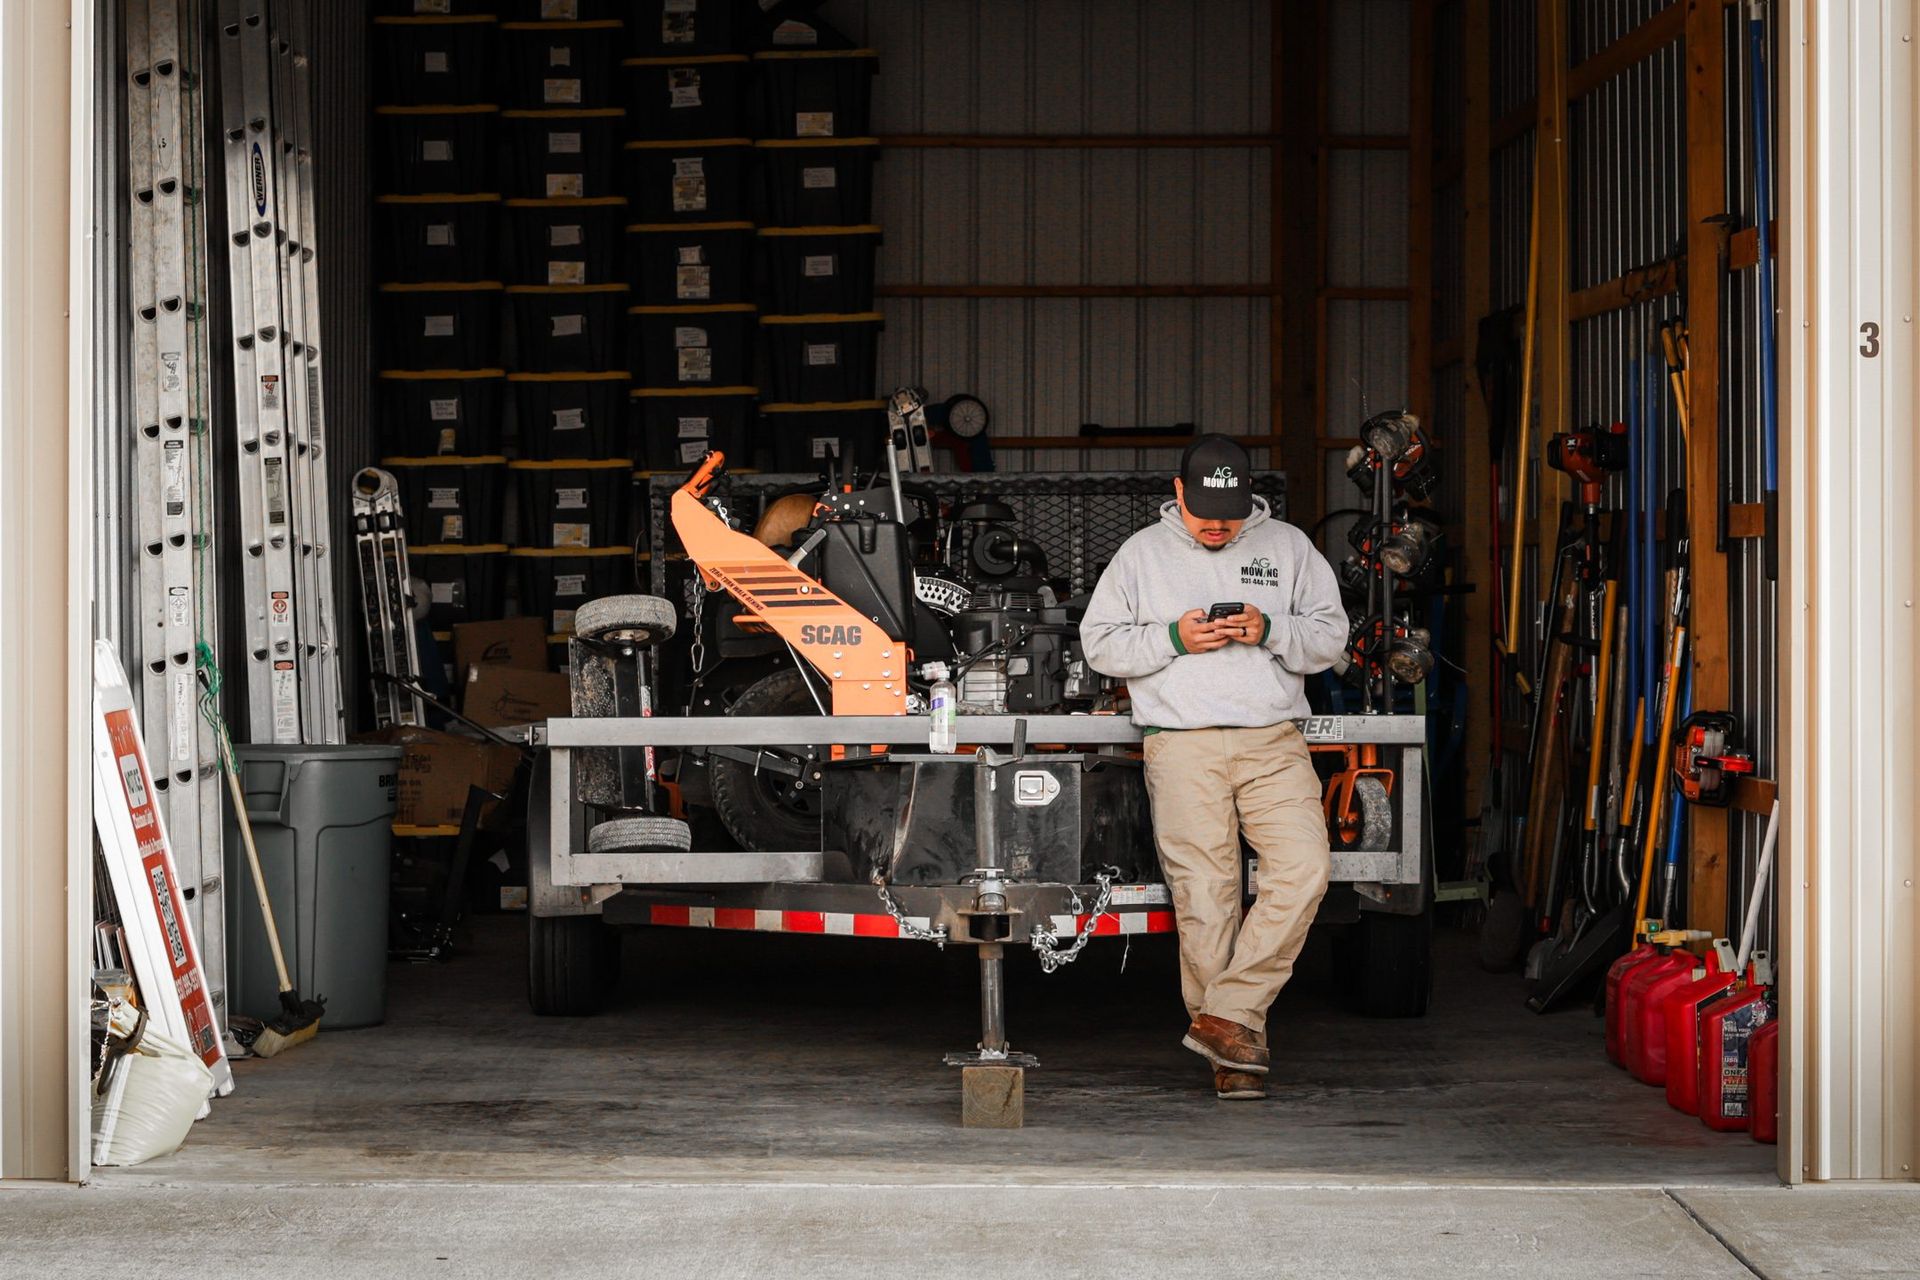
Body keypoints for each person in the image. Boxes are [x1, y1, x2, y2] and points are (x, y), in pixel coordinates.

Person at [1080, 435, 1348, 1101]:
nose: (1218, 527)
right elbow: (1099, 643)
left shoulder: (1288, 547)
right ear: (1179, 493)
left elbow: (1330, 638)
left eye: (1229, 516)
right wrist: (1174, 637)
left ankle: (1228, 1015)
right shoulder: (1141, 555)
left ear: (1248, 499)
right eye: (1205, 515)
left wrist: (1271, 630)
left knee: (1305, 869)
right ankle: (1233, 1059)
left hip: (1272, 741)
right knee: (1205, 900)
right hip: (1182, 744)